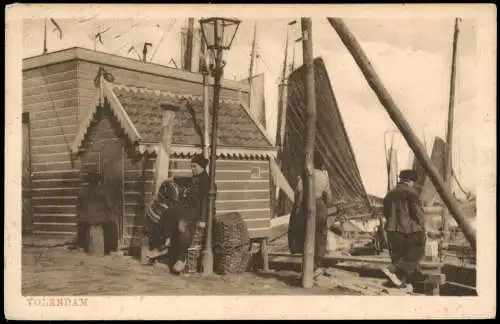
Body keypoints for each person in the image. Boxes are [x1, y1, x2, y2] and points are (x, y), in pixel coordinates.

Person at [288, 151, 333, 276]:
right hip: (320, 206)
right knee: (320, 235)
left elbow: (299, 192)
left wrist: (296, 208)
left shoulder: (305, 174)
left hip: (306, 205)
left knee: (301, 233)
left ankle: (306, 264)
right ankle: (316, 264)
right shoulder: (324, 176)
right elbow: (329, 197)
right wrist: (324, 206)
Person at [381, 169, 427, 288]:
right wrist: (422, 228)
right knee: (418, 250)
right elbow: (418, 214)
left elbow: (385, 212)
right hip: (408, 230)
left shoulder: (390, 194)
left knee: (397, 256)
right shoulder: (412, 193)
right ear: (411, 181)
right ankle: (392, 269)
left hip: (391, 230)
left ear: (401, 179)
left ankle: (396, 281)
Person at [168, 154, 210, 274]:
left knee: (183, 225)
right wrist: (174, 178)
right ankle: (168, 251)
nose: (192, 169)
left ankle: (182, 258)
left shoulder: (205, 181)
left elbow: (205, 201)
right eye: (191, 166)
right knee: (172, 216)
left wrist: (202, 219)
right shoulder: (195, 178)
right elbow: (186, 180)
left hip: (200, 211)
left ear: (202, 167)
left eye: (194, 166)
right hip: (191, 209)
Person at [76, 172, 114, 254]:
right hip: (100, 218)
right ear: (99, 181)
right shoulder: (103, 191)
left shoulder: (82, 191)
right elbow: (109, 205)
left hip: (87, 218)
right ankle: (107, 247)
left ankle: (86, 245)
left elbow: (78, 205)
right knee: (111, 222)